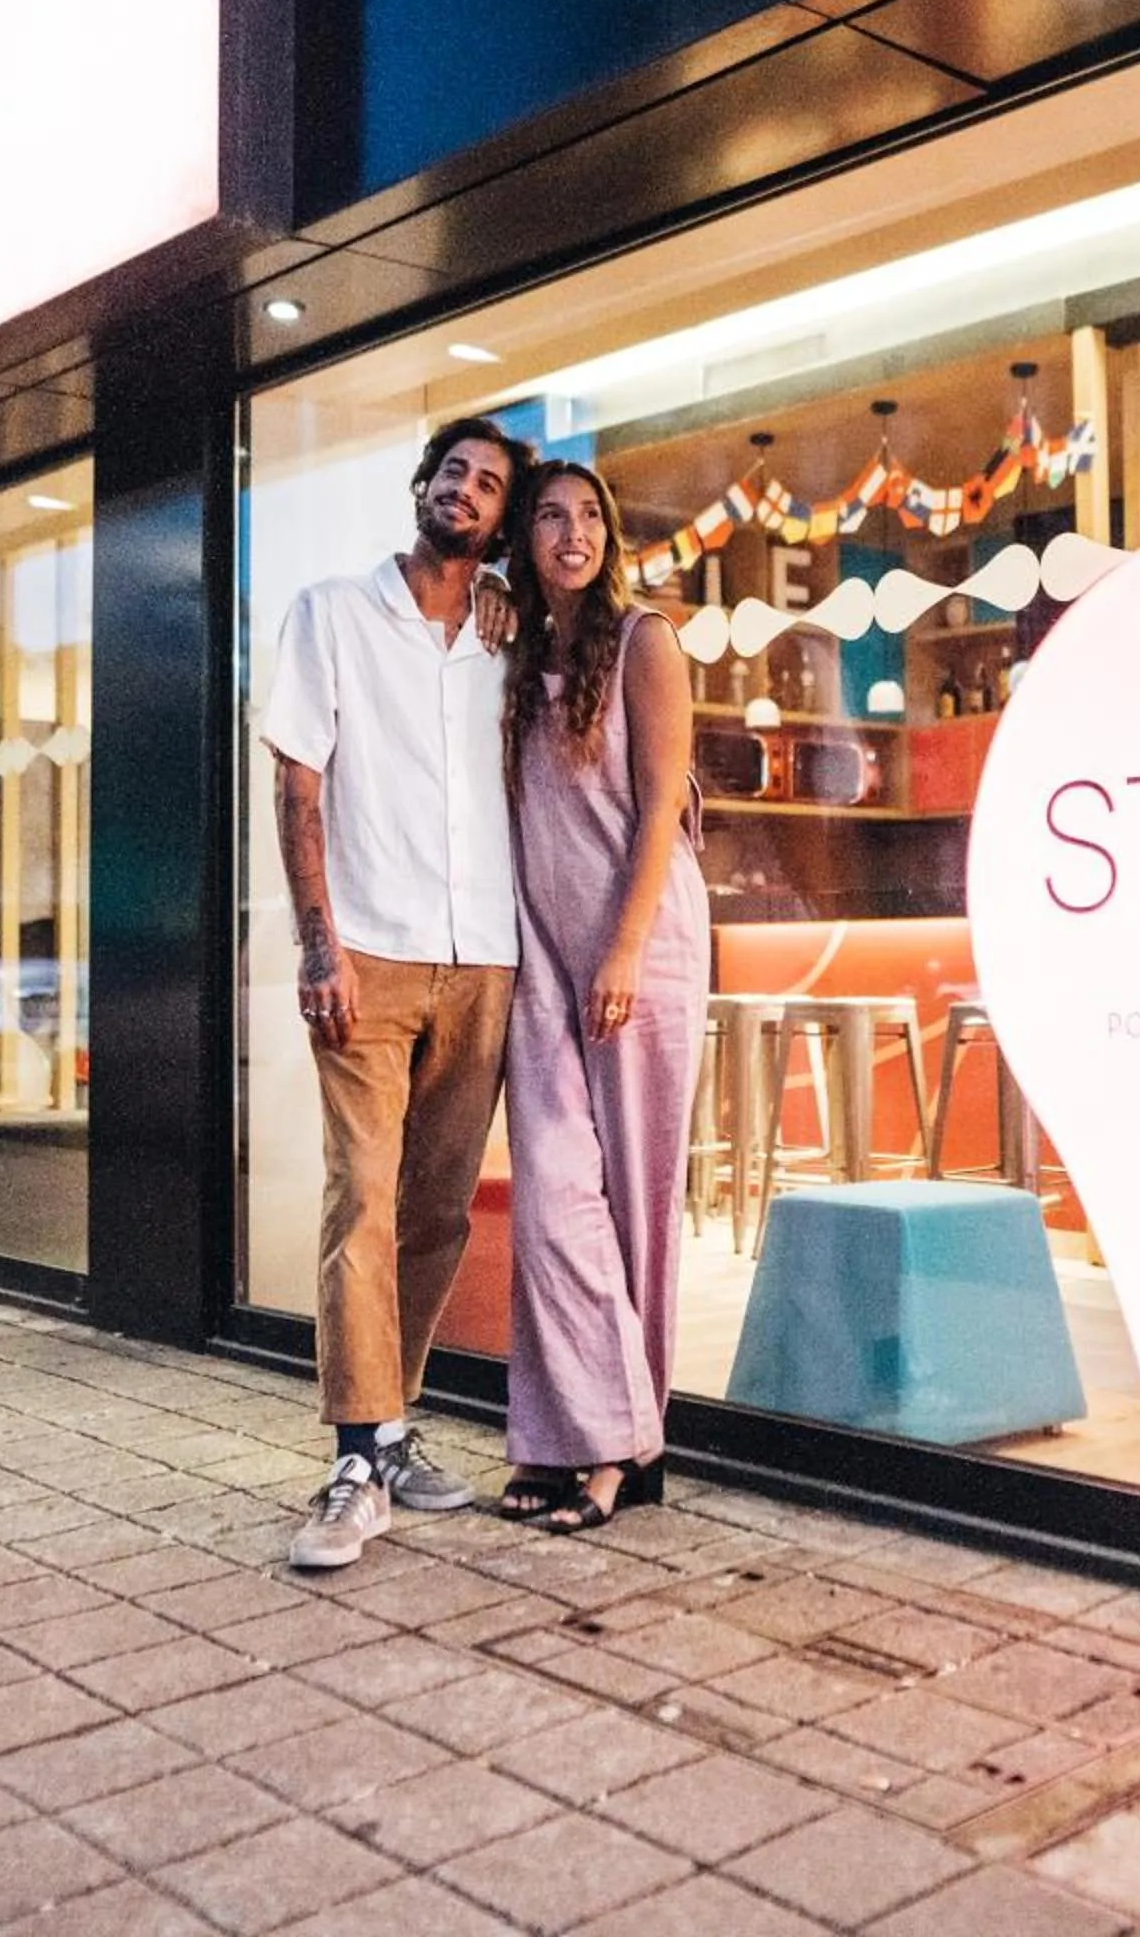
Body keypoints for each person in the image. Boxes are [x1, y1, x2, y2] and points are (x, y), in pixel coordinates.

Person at [264, 415, 536, 1570]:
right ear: (421, 486)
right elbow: (298, 780)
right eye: (452, 471)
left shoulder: (509, 636)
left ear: (500, 520)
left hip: (485, 956)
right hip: (366, 952)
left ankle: (391, 1423)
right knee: (362, 1200)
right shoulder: (331, 612)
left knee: (435, 1209)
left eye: (488, 483)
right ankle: (353, 1461)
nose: (465, 488)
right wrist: (317, 944)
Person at [495, 460, 708, 1532]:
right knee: (551, 1202)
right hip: (541, 957)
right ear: (525, 539)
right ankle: (569, 1429)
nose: (571, 532)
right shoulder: (512, 654)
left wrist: (621, 951)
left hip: (643, 945)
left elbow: (663, 800)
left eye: (588, 515)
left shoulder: (644, 641)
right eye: (549, 516)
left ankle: (621, 1450)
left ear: (610, 535)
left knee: (638, 1207)